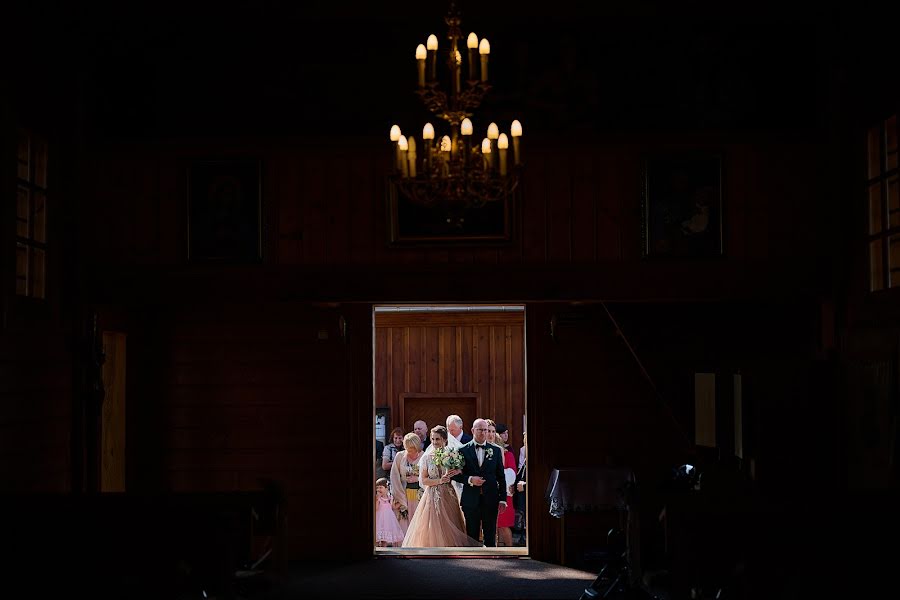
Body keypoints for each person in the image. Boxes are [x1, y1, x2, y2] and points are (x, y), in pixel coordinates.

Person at [401, 426, 480, 548]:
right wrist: (439, 480)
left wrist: (457, 472)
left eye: (437, 439)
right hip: (432, 495)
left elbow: (460, 472)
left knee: (450, 522)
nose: (434, 442)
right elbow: (424, 480)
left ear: (444, 440)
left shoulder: (452, 455)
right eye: (432, 439)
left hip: (448, 494)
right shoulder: (427, 457)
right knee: (433, 523)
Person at [452, 418, 507, 547]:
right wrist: (470, 480)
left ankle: (492, 564)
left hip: (491, 498)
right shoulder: (462, 450)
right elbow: (455, 476)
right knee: (472, 537)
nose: (483, 433)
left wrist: (503, 499)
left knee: (490, 536)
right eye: (480, 430)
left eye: (486, 430)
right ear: (472, 430)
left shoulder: (496, 450)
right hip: (471, 499)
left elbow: (501, 477)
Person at [489, 421, 517, 547]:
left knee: (504, 525)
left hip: (505, 495)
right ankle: (499, 549)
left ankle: (510, 549)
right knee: (496, 525)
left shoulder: (508, 454)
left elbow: (511, 475)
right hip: (490, 494)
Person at [389, 432, 424, 533]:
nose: (410, 451)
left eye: (412, 449)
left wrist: (417, 479)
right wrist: (400, 497)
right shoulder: (400, 456)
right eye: (408, 449)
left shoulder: (424, 456)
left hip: (419, 495)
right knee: (404, 524)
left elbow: (430, 475)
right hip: (404, 494)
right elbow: (394, 477)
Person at [375, 477, 405, 547]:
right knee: (377, 538)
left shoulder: (390, 498)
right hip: (379, 520)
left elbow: (393, 507)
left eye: (380, 487)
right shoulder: (378, 498)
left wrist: (401, 502)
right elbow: (376, 509)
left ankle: (383, 551)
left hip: (387, 521)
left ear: (386, 488)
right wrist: (377, 499)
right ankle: (376, 550)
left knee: (384, 539)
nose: (378, 489)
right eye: (377, 488)